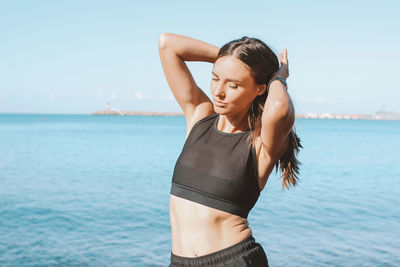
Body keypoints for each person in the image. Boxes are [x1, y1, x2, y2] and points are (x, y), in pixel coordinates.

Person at [158, 33, 302, 267]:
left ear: (259, 89)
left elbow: (278, 109)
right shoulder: (199, 117)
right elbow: (167, 44)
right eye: (215, 78)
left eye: (233, 84)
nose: (219, 92)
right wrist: (230, 59)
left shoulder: (260, 144)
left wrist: (278, 77)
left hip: (233, 260)